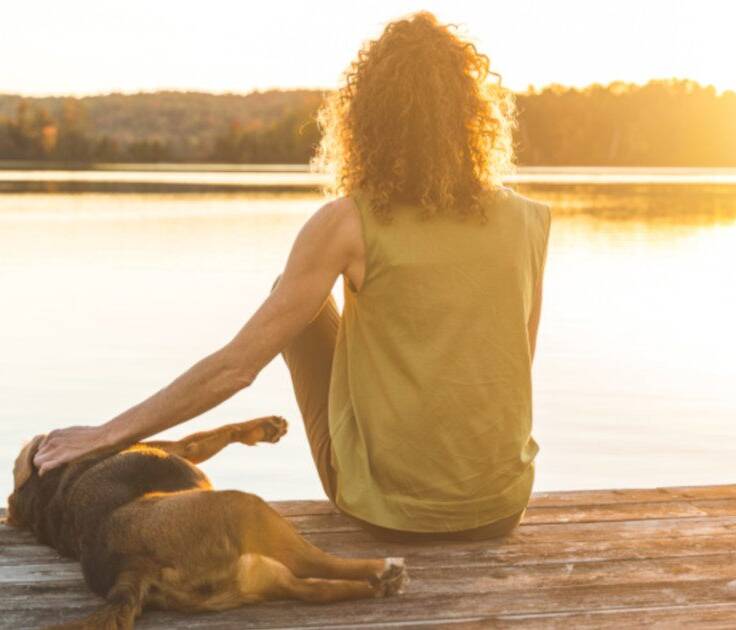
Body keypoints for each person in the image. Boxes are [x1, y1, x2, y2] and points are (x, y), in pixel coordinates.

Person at [32, 11, 552, 542]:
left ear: (370, 119)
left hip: (388, 512)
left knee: (294, 299)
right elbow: (514, 363)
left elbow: (236, 368)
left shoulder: (348, 222)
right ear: (473, 116)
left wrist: (105, 435)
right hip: (500, 507)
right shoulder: (532, 219)